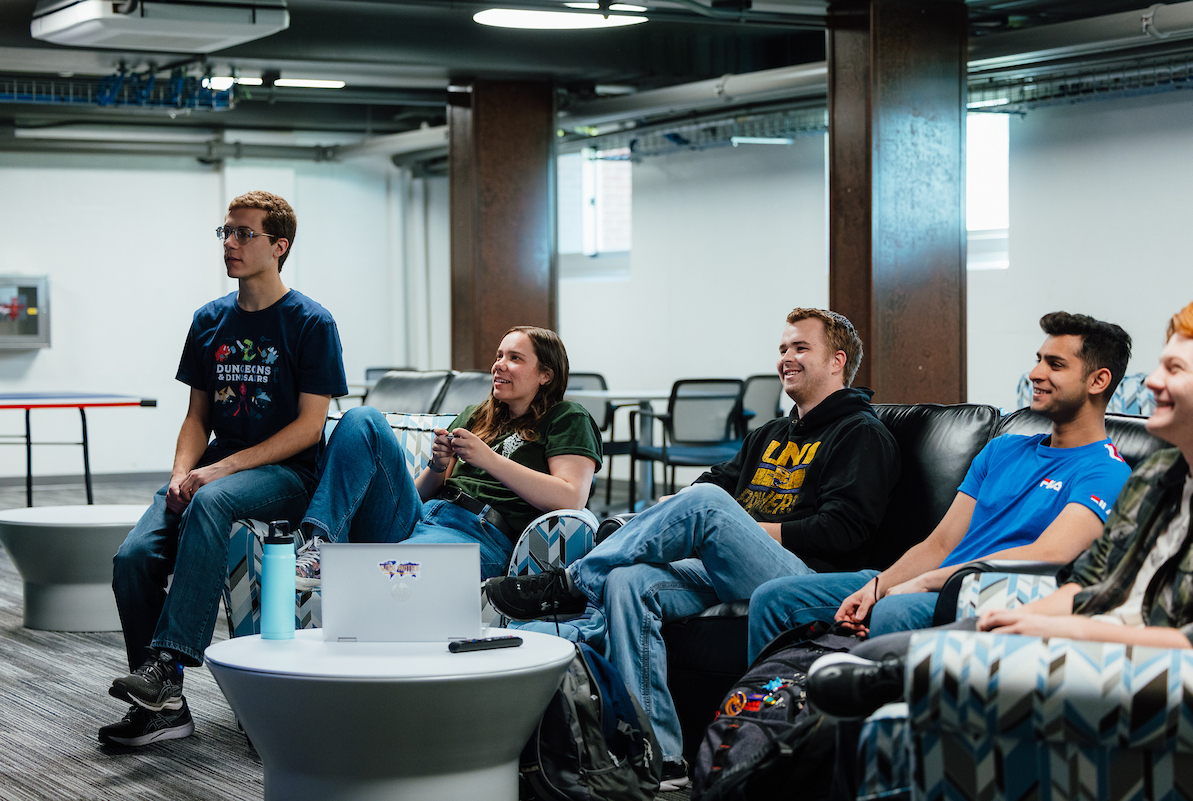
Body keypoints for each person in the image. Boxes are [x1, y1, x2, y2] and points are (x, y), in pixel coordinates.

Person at [485, 308, 902, 790]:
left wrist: (735, 529)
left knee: (705, 506)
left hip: (806, 577)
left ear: (837, 362)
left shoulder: (862, 433)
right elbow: (710, 482)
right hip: (729, 566)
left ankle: (570, 581)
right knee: (629, 580)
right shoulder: (770, 434)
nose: (785, 358)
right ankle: (659, 759)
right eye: (783, 348)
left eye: (800, 348)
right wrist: (671, 514)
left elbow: (843, 530)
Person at [806, 299, 1193, 722]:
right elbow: (1089, 583)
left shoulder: (1109, 471)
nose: (1152, 382)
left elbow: (1057, 561)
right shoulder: (1158, 474)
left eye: (1174, 369)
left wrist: (1053, 628)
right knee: (865, 662)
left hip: (1133, 664)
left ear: (1097, 380)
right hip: (1031, 610)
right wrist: (1011, 618)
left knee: (879, 665)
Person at [101, 191, 348, 747]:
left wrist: (219, 473)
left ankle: (166, 666)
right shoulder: (209, 320)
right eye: (226, 233)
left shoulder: (312, 323)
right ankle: (164, 708)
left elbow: (310, 427)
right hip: (216, 468)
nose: (230, 244)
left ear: (279, 246)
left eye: (244, 234)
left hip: (287, 475)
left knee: (212, 501)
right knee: (134, 558)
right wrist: (180, 472)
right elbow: (196, 416)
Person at [747, 311, 1134, 660]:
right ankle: (762, 724)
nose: (1035, 373)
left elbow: (1048, 554)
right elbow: (941, 544)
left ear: (1098, 380)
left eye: (1055, 364)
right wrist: (881, 584)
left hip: (976, 595)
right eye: (1038, 360)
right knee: (775, 597)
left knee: (895, 609)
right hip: (928, 582)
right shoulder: (1003, 449)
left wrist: (924, 583)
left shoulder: (1106, 471)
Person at [295, 325, 603, 582]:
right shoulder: (476, 415)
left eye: (515, 358)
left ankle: (369, 569)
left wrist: (489, 459)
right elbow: (421, 494)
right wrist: (438, 466)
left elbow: (570, 498)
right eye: (499, 356)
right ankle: (320, 545)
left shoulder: (566, 417)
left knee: (393, 572)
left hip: (479, 534)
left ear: (545, 374)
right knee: (363, 419)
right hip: (422, 518)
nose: (499, 364)